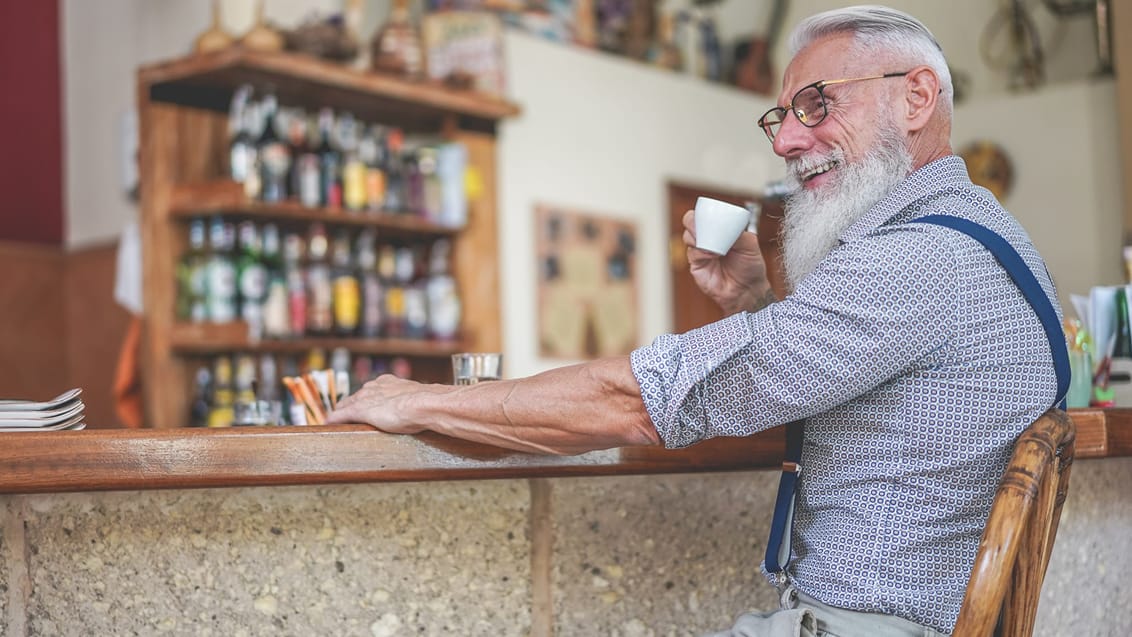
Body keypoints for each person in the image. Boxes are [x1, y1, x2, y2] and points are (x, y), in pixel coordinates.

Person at [329, 5, 1064, 636]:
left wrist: (416, 399)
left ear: (915, 98)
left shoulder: (917, 258)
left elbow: (644, 400)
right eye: (782, 117)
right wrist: (756, 308)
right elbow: (859, 386)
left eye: (817, 104)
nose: (785, 141)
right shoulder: (982, 236)